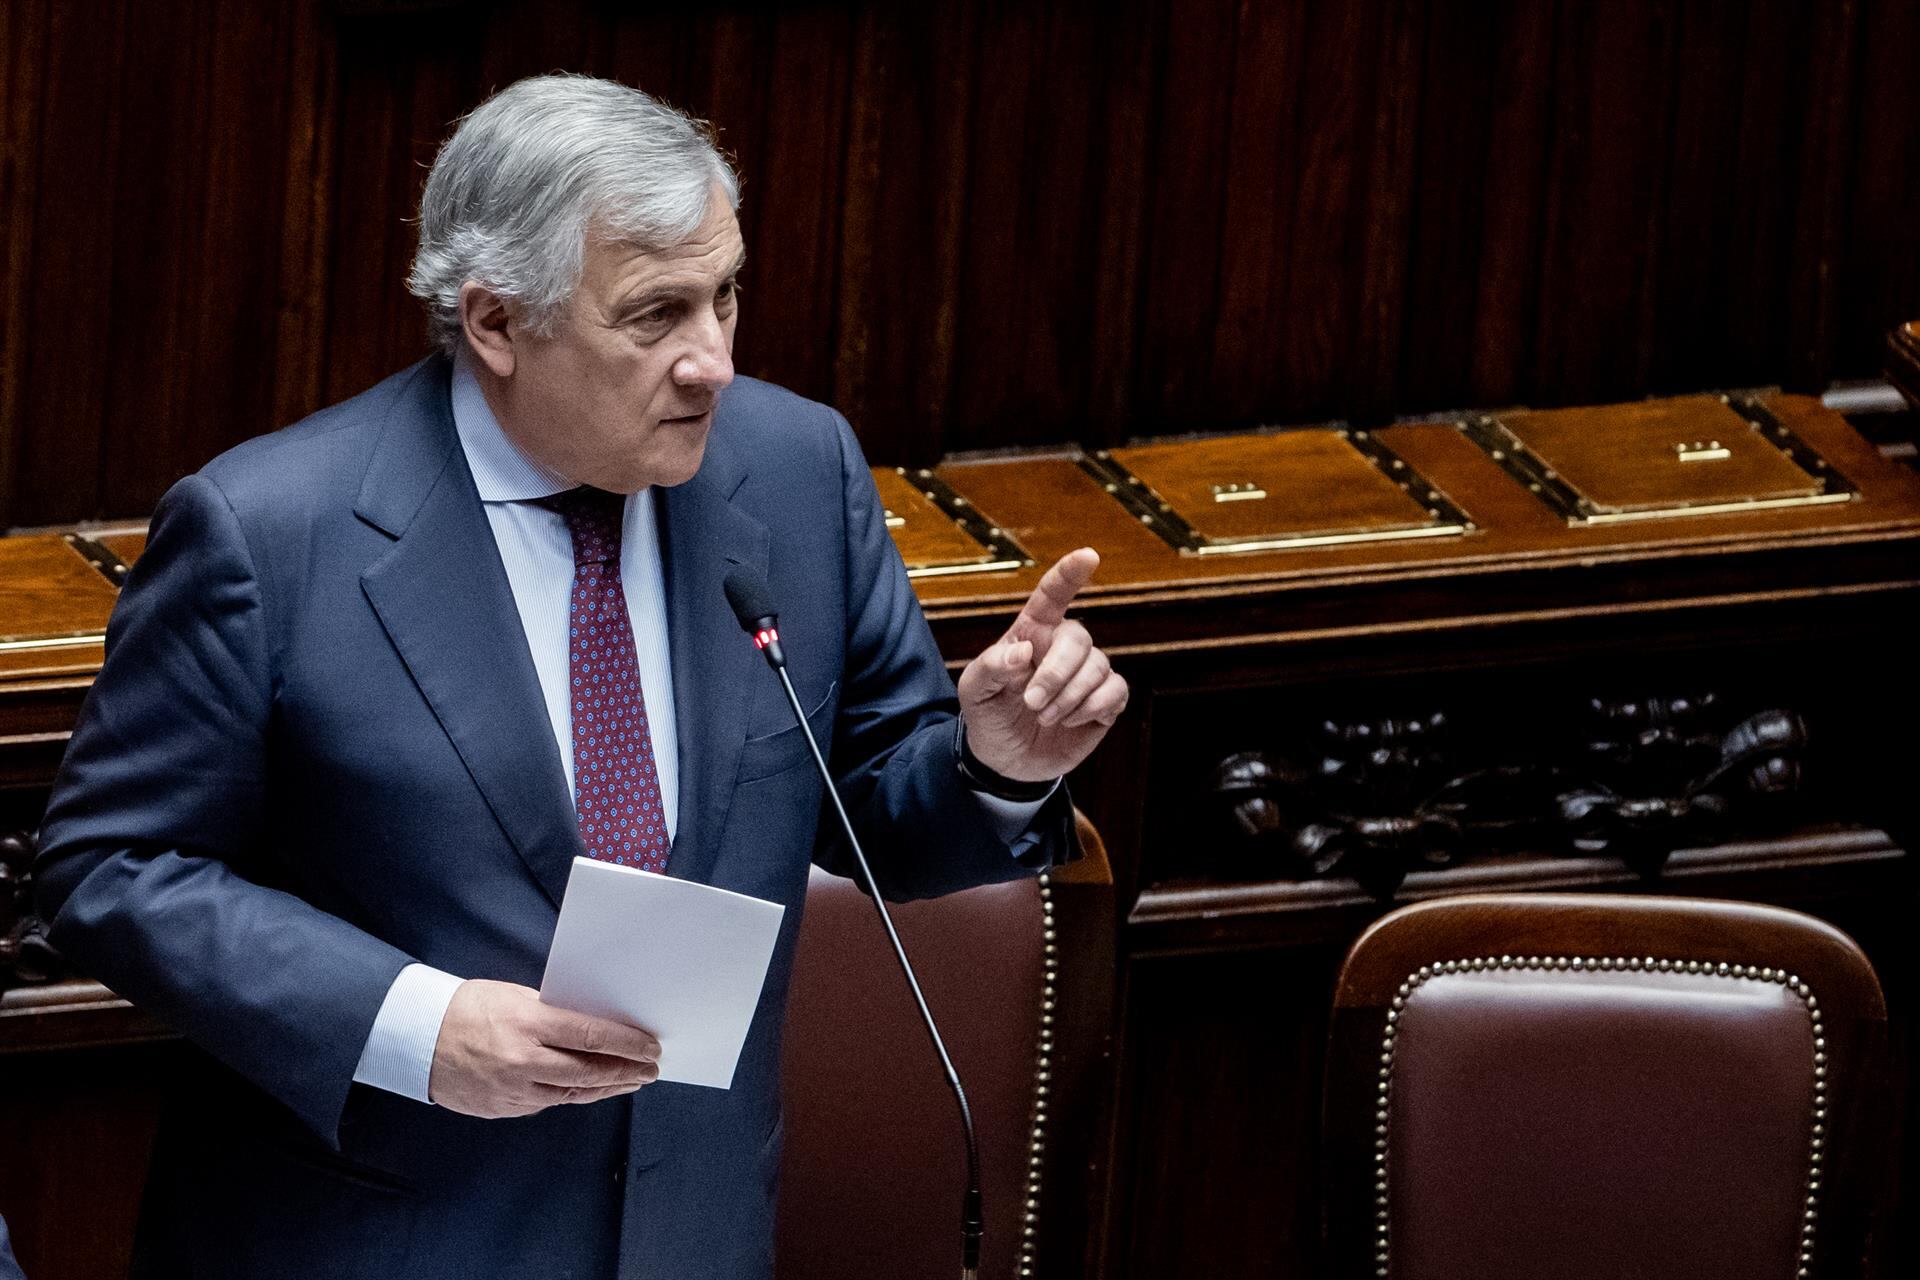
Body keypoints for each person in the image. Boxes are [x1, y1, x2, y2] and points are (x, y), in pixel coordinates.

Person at [33, 75, 1124, 1280]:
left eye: (726, 295)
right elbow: (113, 865)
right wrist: (416, 1023)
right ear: (496, 321)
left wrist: (997, 766)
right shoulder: (269, 534)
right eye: (656, 314)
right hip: (383, 1238)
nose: (713, 361)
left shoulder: (797, 469)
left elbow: (877, 804)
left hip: (693, 1235)